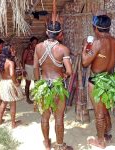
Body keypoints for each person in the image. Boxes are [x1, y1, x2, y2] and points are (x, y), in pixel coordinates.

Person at [33, 20, 73, 150]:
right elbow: (69, 71)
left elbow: (35, 68)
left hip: (43, 85)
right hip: (57, 86)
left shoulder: (38, 47)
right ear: (60, 33)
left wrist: (38, 84)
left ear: (47, 32)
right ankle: (60, 146)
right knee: (59, 117)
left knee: (45, 116)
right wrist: (64, 75)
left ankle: (46, 143)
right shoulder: (63, 49)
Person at [82, 15, 115, 148]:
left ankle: (100, 141)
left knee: (99, 114)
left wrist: (85, 47)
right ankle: (107, 134)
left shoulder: (96, 43)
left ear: (96, 27)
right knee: (104, 109)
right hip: (109, 80)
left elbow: (85, 63)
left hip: (97, 81)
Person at [0, 46, 23, 128]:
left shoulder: (1, 62)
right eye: (12, 50)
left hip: (2, 82)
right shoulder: (10, 63)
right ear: (8, 53)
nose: (14, 51)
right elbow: (12, 74)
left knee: (4, 102)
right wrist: (15, 82)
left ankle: (0, 120)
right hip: (9, 83)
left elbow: (1, 73)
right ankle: (13, 124)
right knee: (13, 103)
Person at [22, 36, 38, 104]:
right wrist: (23, 70)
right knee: (28, 83)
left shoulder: (37, 50)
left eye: (36, 43)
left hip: (35, 67)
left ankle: (37, 97)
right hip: (28, 67)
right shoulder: (27, 50)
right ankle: (27, 98)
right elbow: (23, 60)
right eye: (34, 43)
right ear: (30, 43)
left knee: (37, 83)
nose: (35, 44)